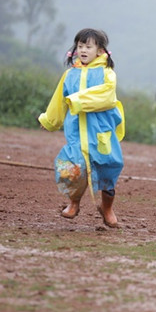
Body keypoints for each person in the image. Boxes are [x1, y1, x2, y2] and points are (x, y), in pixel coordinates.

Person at [38, 28, 125, 228]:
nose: (83, 50)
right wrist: (49, 120)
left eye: (88, 46)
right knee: (72, 167)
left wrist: (76, 100)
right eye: (80, 46)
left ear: (100, 50)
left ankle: (107, 208)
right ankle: (74, 203)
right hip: (76, 131)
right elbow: (59, 100)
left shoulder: (107, 74)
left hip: (100, 131)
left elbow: (106, 96)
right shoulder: (70, 75)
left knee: (108, 166)